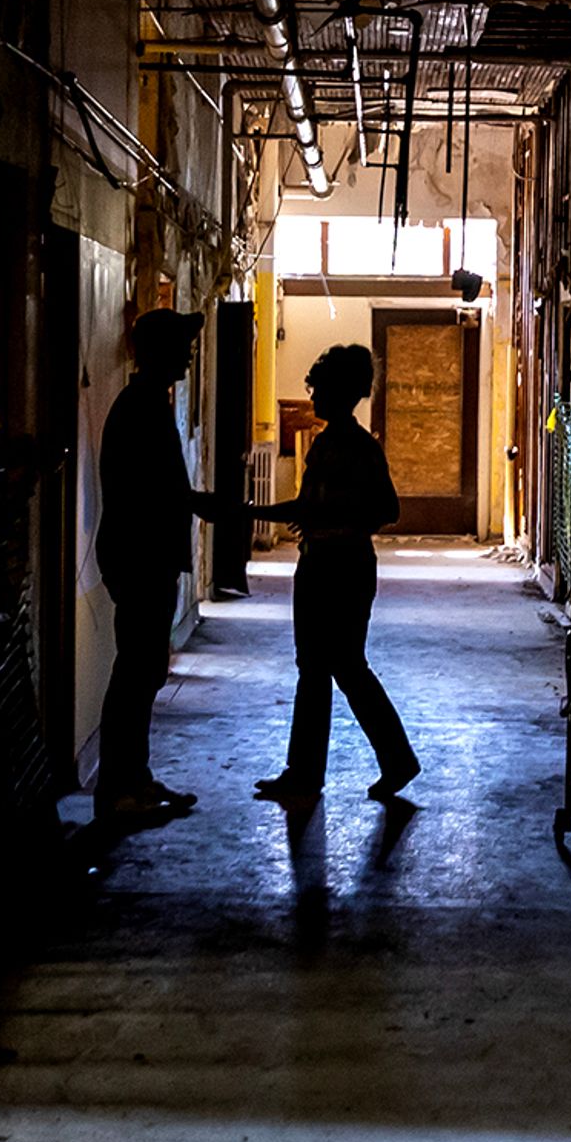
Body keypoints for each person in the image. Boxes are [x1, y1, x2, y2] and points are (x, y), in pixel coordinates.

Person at [255, 343, 420, 805]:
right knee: (318, 668)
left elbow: (387, 509)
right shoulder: (330, 443)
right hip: (322, 563)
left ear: (342, 392)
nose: (314, 396)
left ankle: (387, 761)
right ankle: (310, 772)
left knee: (343, 666)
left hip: (340, 567)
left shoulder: (357, 448)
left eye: (320, 388)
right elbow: (310, 507)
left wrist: (331, 519)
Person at [91, 308, 239, 825]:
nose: (190, 353)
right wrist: (198, 504)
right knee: (135, 673)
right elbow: (148, 493)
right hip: (140, 557)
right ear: (157, 351)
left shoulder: (148, 403)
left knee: (146, 671)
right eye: (183, 345)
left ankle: (135, 778)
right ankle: (117, 790)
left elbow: (159, 488)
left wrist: (194, 502)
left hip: (148, 556)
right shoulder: (140, 409)